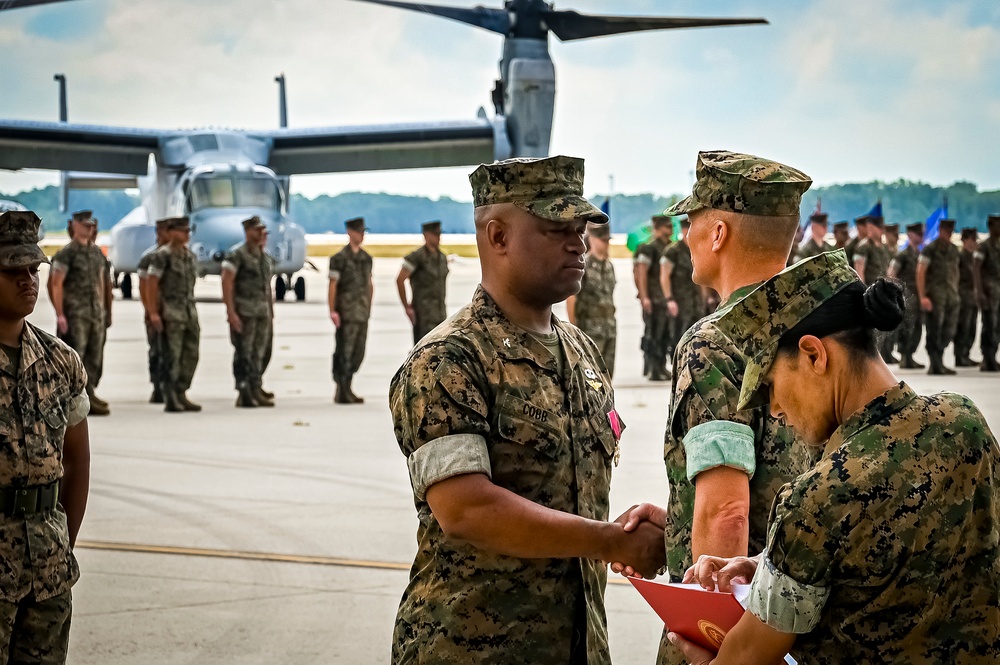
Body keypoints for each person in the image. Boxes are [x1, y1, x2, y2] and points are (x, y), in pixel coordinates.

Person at [389, 155, 665, 665]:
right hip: (473, 649)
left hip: (578, 645)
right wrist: (611, 542)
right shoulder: (449, 359)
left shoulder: (581, 351)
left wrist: (631, 531)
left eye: (581, 229)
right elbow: (468, 510)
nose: (577, 243)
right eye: (556, 228)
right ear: (497, 237)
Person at [666, 251, 1000, 665]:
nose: (774, 409)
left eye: (771, 385)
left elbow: (745, 657)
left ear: (813, 355)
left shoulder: (818, 496)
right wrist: (765, 566)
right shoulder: (964, 422)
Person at [613, 150, 816, 665]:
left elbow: (727, 512)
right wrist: (680, 519)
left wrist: (705, 639)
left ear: (719, 232)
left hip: (745, 619)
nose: (684, 237)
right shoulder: (824, 329)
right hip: (805, 608)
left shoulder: (715, 342)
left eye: (692, 221)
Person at [0, 210, 91, 665]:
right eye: (12, 272)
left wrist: (61, 542)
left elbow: (76, 463)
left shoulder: (61, 362)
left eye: (32, 270)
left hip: (47, 574)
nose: (27, 282)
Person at [49, 210, 111, 415]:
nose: (89, 228)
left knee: (95, 355)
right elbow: (56, 283)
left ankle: (89, 393)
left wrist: (104, 309)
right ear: (74, 225)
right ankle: (74, 398)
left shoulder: (95, 253)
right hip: (76, 314)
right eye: (85, 225)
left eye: (91, 225)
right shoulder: (67, 254)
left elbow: (102, 282)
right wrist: (60, 314)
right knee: (76, 355)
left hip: (95, 313)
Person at [146, 216, 201, 413]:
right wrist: (153, 313)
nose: (187, 234)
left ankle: (181, 391)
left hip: (189, 313)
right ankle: (170, 396)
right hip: (170, 313)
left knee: (191, 354)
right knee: (172, 356)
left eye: (188, 230)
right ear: (171, 233)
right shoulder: (162, 256)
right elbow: (152, 283)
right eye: (182, 230)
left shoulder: (189, 256)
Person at [222, 216, 276, 408]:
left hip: (262, 313)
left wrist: (271, 311)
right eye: (257, 229)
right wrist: (231, 312)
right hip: (244, 311)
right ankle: (243, 390)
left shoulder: (264, 257)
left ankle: (255, 387)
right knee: (244, 352)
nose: (261, 233)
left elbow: (267, 287)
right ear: (247, 232)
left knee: (260, 352)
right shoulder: (237, 255)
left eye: (262, 229)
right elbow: (227, 282)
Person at [329, 217, 373, 404]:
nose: (361, 235)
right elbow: (333, 286)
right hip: (346, 312)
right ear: (349, 232)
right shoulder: (339, 259)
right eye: (358, 231)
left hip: (361, 312)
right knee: (344, 352)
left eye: (363, 231)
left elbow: (369, 284)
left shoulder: (366, 259)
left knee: (358, 352)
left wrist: (368, 305)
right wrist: (333, 310)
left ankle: (349, 386)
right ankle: (342, 388)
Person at [567, 221, 617, 377]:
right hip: (590, 329)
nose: (606, 244)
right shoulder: (583, 265)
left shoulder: (609, 266)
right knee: (591, 376)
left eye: (608, 240)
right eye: (603, 240)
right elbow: (571, 298)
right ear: (592, 239)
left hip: (609, 327)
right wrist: (574, 329)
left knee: (608, 375)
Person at [917, 218, 960, 375]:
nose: (948, 234)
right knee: (934, 329)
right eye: (946, 230)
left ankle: (940, 360)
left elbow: (956, 272)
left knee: (949, 331)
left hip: (951, 296)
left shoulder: (954, 249)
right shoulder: (930, 249)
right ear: (940, 230)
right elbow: (920, 272)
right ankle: (935, 363)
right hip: (935, 296)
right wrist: (922, 296)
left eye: (950, 231)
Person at [659, 216, 704, 365]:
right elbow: (664, 276)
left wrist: (705, 298)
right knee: (679, 338)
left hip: (696, 304)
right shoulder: (673, 251)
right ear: (685, 230)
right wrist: (669, 299)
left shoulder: (696, 249)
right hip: (679, 303)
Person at [396, 220, 449, 344]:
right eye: (435, 234)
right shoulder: (417, 257)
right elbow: (400, 280)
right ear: (426, 235)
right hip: (423, 317)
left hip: (440, 316)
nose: (438, 238)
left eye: (439, 234)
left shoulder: (441, 258)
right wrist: (406, 307)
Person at [633, 215, 673, 380]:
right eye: (667, 226)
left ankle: (661, 367)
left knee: (664, 335)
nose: (670, 230)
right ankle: (652, 369)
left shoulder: (669, 247)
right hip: (653, 300)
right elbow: (640, 273)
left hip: (664, 301)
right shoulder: (648, 248)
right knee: (653, 334)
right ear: (657, 228)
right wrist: (644, 297)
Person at [853, 214, 896, 363]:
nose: (881, 231)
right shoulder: (864, 247)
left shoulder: (883, 248)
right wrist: (862, 293)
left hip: (881, 295)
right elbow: (859, 271)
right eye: (878, 228)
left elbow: (887, 270)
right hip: (869, 295)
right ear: (871, 228)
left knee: (881, 330)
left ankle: (878, 359)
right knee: (869, 331)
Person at [137, 218, 170, 403]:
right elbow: (143, 286)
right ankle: (158, 386)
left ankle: (171, 386)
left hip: (173, 312)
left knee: (173, 351)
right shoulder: (150, 257)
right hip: (155, 311)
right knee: (157, 350)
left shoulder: (175, 255)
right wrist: (151, 311)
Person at [887, 222, 925, 369]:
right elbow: (891, 274)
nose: (921, 237)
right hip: (906, 297)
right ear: (910, 235)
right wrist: (896, 293)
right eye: (918, 234)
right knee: (907, 328)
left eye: (922, 234)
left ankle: (910, 355)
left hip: (917, 296)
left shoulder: (919, 254)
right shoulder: (902, 255)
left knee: (917, 328)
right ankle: (905, 357)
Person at [974, 214, 1000, 372]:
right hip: (988, 293)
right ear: (991, 227)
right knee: (989, 325)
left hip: (998, 294)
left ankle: (993, 357)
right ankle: (987, 358)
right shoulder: (983, 246)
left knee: (997, 327)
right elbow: (976, 268)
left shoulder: (997, 245)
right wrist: (979, 291)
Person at [955, 227, 981, 367]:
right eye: (971, 239)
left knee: (971, 327)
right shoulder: (960, 257)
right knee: (963, 327)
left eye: (974, 239)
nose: (973, 243)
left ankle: (966, 354)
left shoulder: (975, 257)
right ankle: (960, 356)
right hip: (963, 295)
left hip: (973, 297)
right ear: (964, 240)